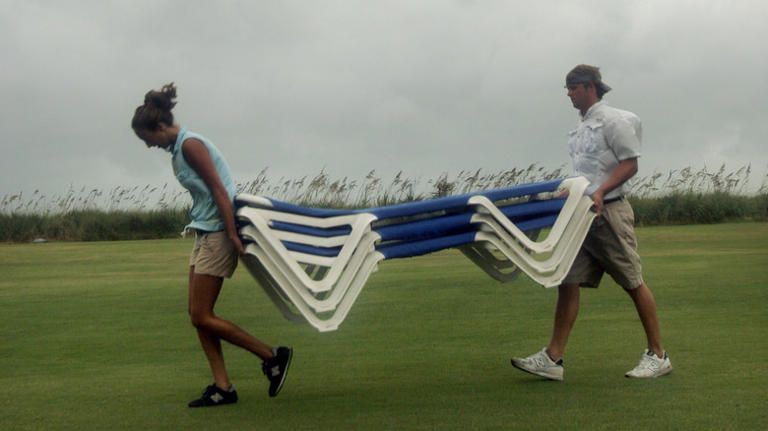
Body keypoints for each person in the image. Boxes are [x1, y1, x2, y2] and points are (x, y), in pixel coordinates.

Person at [131, 83, 293, 406]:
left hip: (219, 233)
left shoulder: (190, 145)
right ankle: (223, 387)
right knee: (196, 314)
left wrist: (232, 234)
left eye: (149, 140)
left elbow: (221, 190)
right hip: (204, 231)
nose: (149, 146)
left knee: (202, 315)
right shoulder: (178, 149)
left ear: (160, 127)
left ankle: (272, 356)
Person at [511, 65, 672, 381]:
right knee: (567, 281)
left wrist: (600, 191)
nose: (569, 93)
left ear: (589, 87)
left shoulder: (614, 121)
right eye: (567, 88)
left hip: (609, 213)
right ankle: (553, 358)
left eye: (572, 88)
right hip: (581, 214)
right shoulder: (582, 125)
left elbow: (629, 165)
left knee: (632, 281)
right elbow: (587, 169)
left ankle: (658, 355)